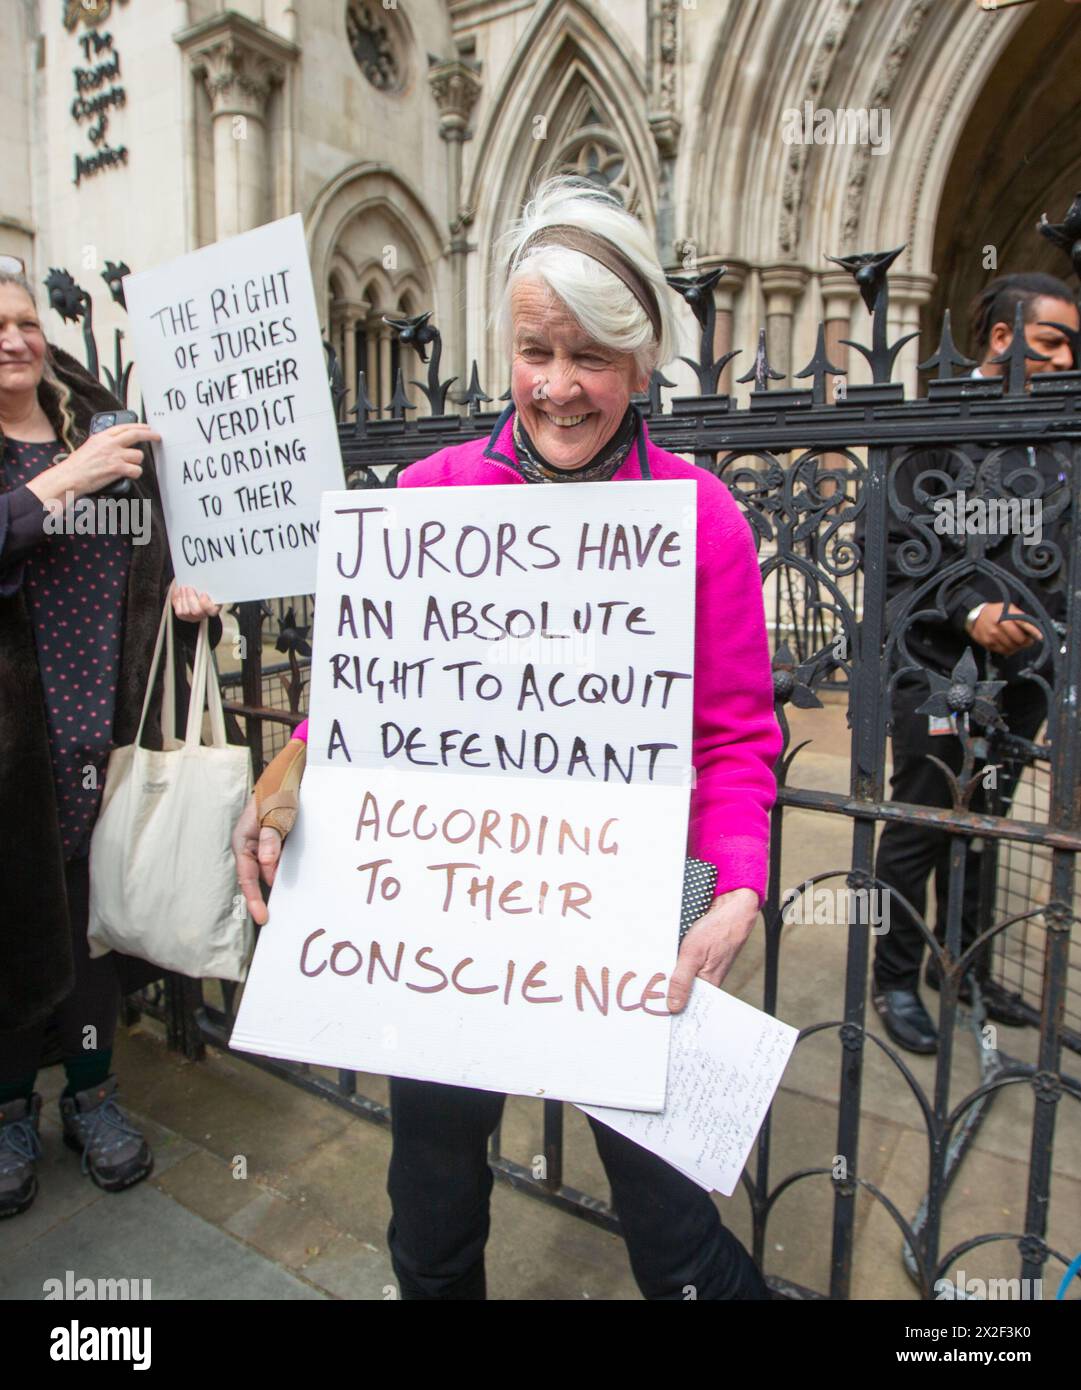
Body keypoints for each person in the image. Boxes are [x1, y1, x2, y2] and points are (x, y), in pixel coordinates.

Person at [232, 177, 782, 1299]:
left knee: (675, 1238)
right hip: (449, 920)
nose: (560, 386)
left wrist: (734, 886)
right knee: (431, 1215)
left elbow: (733, 739)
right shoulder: (433, 492)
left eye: (591, 356)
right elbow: (358, 698)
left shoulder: (701, 517)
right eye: (536, 349)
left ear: (639, 362)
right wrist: (286, 784)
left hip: (637, 916)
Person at [0, 265, 222, 1217]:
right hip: (15, 745)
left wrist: (187, 592)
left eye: (25, 322)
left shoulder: (104, 431)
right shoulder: (75, 459)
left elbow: (151, 553)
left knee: (92, 931)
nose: (14, 338)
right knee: (11, 929)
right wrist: (59, 483)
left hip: (104, 727)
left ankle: (92, 1097)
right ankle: (10, 1110)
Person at [870, 272, 1079, 1054]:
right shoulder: (936, 423)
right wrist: (969, 611)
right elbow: (889, 544)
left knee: (983, 825)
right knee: (919, 823)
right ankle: (892, 978)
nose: (1065, 359)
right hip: (934, 670)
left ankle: (963, 968)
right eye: (1051, 341)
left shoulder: (1057, 433)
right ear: (1001, 338)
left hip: (1021, 681)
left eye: (1071, 346)